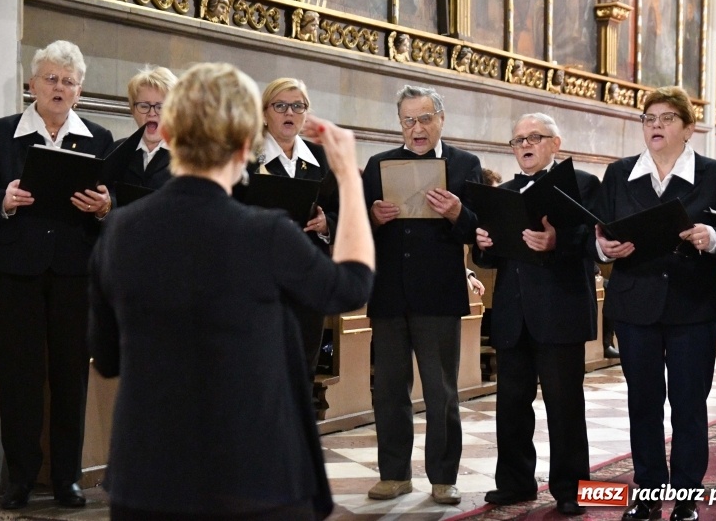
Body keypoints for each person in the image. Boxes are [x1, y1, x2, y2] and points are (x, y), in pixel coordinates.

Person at [87, 62, 374, 521]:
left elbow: (106, 358)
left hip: (148, 475)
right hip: (252, 474)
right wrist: (350, 181)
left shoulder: (120, 229)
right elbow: (352, 287)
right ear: (245, 147)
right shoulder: (265, 233)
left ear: (172, 136)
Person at [0, 40, 113, 509]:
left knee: (71, 376)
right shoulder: (2, 132)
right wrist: (2, 201)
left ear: (80, 92)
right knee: (19, 376)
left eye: (69, 82)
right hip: (17, 270)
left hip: (74, 272)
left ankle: (66, 478)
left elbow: (114, 199)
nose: (60, 88)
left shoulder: (99, 139)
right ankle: (21, 478)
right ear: (32, 84)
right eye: (51, 78)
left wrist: (106, 208)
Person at [591, 86, 716, 521]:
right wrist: (604, 251)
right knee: (644, 402)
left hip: (693, 303)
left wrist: (710, 238)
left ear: (688, 128)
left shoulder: (713, 174)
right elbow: (597, 233)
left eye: (666, 118)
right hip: (636, 302)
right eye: (649, 118)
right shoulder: (619, 174)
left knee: (689, 404)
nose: (655, 125)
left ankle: (688, 496)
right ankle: (649, 491)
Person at [362, 85, 481, 505]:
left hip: (439, 295)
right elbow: (356, 228)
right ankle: (394, 475)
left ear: (441, 119)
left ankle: (443, 476)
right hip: (390, 295)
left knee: (441, 391)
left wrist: (457, 213)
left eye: (425, 118)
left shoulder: (466, 164)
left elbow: (481, 235)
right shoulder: (378, 165)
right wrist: (373, 218)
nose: (417, 128)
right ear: (400, 124)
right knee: (390, 390)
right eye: (409, 120)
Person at [473, 113, 598, 516]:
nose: (524, 144)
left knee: (563, 405)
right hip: (512, 310)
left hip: (559, 309)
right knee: (511, 402)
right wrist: (483, 243)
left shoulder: (582, 186)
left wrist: (556, 240)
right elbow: (487, 257)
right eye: (517, 140)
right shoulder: (504, 192)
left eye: (533, 137)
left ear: (555, 143)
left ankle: (570, 488)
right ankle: (514, 482)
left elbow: (592, 242)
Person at [244, 77, 339, 381]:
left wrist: (327, 224)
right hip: (260, 278)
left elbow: (344, 209)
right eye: (280, 105)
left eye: (297, 106)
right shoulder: (245, 157)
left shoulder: (322, 158)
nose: (289, 113)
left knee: (302, 365)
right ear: (264, 113)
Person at [109, 65, 177, 190]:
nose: (152, 113)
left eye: (160, 107)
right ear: (133, 110)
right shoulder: (117, 150)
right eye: (144, 106)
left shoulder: (188, 156)